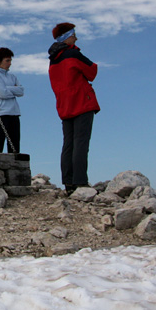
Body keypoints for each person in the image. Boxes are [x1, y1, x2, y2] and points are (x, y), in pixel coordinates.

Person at [48, 23, 100, 194]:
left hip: (64, 106)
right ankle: (81, 182)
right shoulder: (72, 54)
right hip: (81, 103)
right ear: (66, 37)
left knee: (68, 144)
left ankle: (68, 182)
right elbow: (92, 71)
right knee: (81, 142)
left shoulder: (53, 60)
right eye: (73, 35)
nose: (76, 38)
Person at [0, 47, 23, 153]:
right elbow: (2, 93)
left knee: (14, 145)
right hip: (0, 114)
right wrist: (13, 89)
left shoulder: (12, 76)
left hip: (14, 113)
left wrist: (7, 88)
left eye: (10, 60)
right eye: (7, 61)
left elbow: (21, 91)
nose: (10, 63)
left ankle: (14, 168)